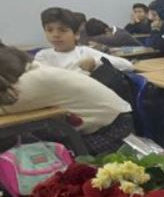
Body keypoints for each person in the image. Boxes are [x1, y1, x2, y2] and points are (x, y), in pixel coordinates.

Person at [0, 44, 134, 155]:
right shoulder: (34, 68)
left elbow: (6, 107)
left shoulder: (32, 81)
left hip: (112, 130)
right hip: (104, 123)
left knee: (47, 155)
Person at [34, 7, 134, 73]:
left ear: (76, 34)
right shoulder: (43, 56)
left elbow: (128, 66)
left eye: (63, 30)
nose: (55, 35)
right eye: (49, 30)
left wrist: (95, 62)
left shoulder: (84, 52)